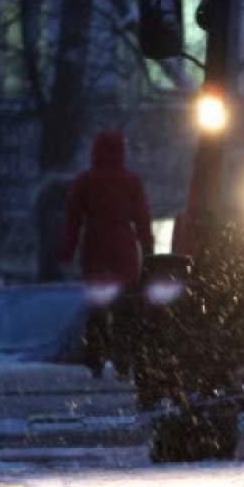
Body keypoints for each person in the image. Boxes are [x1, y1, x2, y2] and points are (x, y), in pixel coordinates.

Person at [59, 129, 155, 379]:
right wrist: (148, 251)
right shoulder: (131, 182)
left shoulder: (86, 181)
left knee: (98, 310)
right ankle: (125, 360)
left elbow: (73, 220)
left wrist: (66, 252)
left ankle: (96, 359)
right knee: (125, 311)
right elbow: (143, 220)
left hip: (95, 249)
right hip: (123, 250)